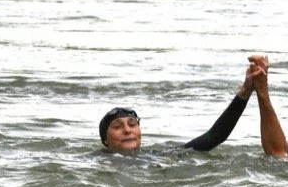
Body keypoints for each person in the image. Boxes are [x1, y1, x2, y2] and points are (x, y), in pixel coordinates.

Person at [98, 59, 258, 154]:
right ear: (105, 140)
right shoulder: (93, 161)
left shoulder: (157, 156)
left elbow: (214, 137)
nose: (127, 130)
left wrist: (245, 92)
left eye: (132, 124)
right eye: (118, 126)